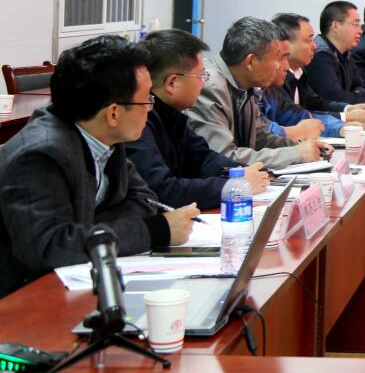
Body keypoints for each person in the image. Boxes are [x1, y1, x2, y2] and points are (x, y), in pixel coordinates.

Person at [0, 36, 199, 298]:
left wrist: (82, 230)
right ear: (113, 113)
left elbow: (145, 200)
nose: (150, 109)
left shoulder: (103, 136)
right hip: (21, 297)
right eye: (146, 100)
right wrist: (157, 231)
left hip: (70, 282)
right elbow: (50, 247)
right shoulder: (41, 155)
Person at [128, 30, 271, 210]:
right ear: (172, 83)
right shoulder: (138, 122)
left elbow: (203, 158)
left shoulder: (172, 115)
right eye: (201, 75)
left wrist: (240, 172)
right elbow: (164, 191)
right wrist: (233, 186)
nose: (204, 82)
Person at [186, 17, 327, 170]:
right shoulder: (209, 86)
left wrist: (303, 148)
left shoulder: (245, 85)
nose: (285, 67)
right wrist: (295, 154)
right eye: (279, 58)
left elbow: (259, 139)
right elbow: (223, 157)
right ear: (250, 62)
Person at [264, 13, 365, 138]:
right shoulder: (271, 82)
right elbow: (270, 129)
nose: (314, 46)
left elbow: (310, 106)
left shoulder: (299, 72)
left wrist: (346, 110)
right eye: (309, 40)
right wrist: (344, 118)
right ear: (286, 45)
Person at [306, 1, 365, 105]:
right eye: (356, 24)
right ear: (336, 26)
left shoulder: (345, 53)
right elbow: (334, 97)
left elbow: (358, 85)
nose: (360, 31)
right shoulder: (320, 55)